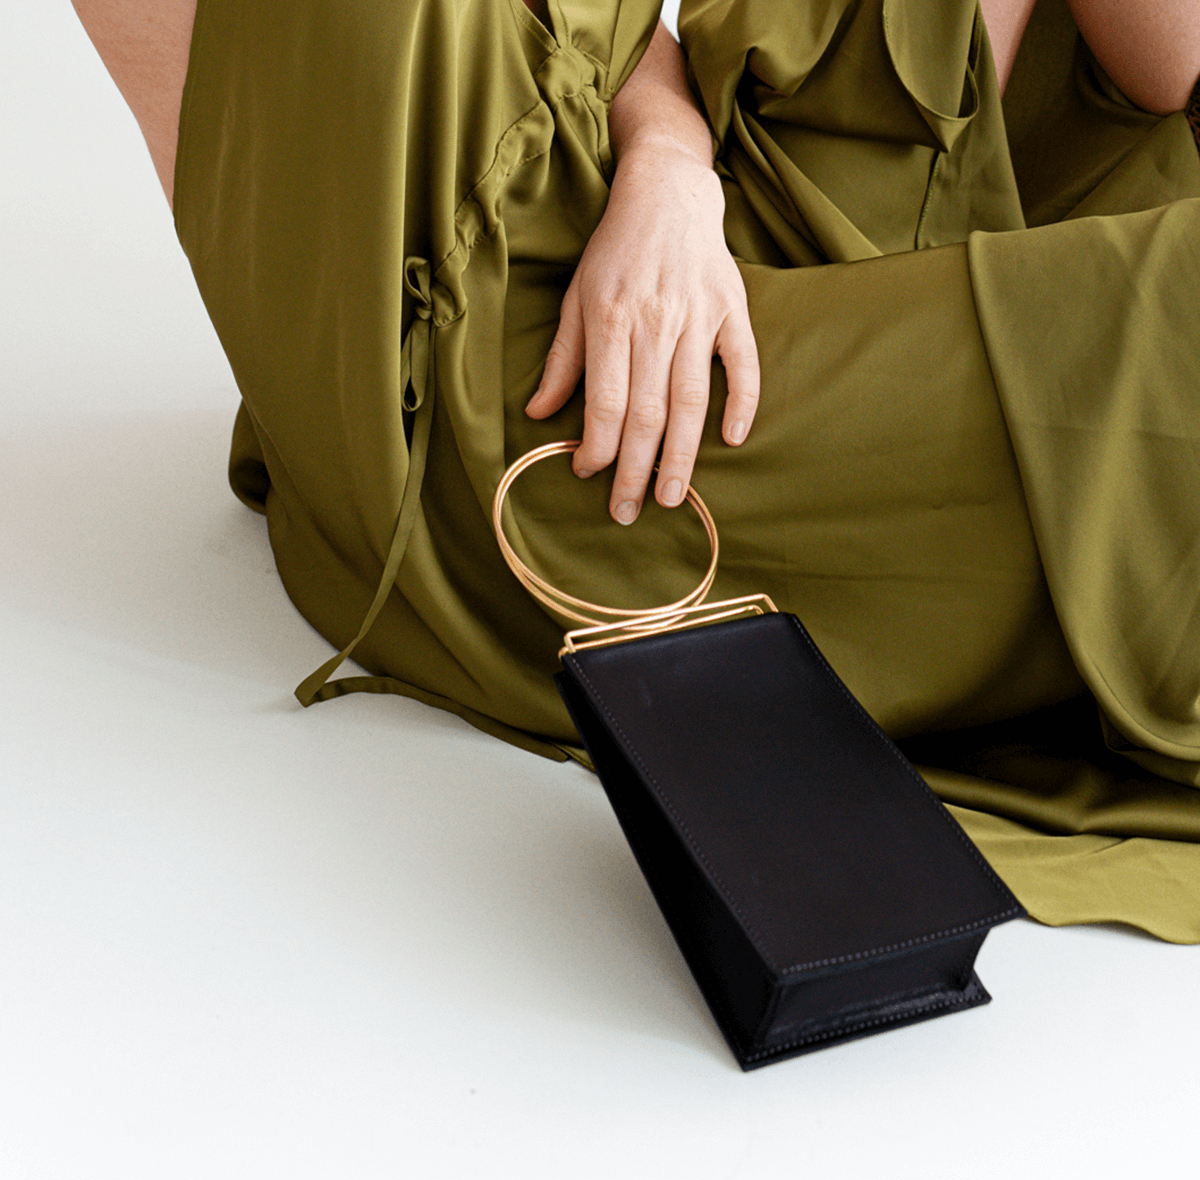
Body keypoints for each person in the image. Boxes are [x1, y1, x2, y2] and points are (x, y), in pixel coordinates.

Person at [70, 0, 1200, 940]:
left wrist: (670, 172)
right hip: (559, 434)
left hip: (666, 258)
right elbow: (272, 235)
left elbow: (1163, 69)